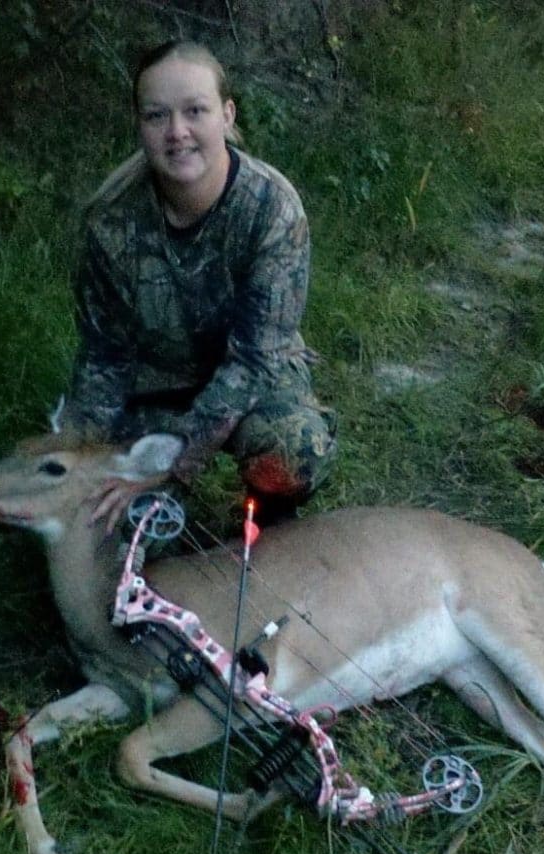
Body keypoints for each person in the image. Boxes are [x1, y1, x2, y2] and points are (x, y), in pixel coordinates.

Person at [61, 40, 337, 533]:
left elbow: (256, 357)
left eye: (195, 111)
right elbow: (104, 356)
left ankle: (270, 521)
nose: (177, 133)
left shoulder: (273, 208)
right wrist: (83, 455)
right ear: (140, 126)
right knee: (99, 507)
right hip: (157, 386)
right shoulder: (110, 223)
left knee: (293, 450)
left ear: (226, 116)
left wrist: (176, 460)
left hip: (254, 376)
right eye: (156, 116)